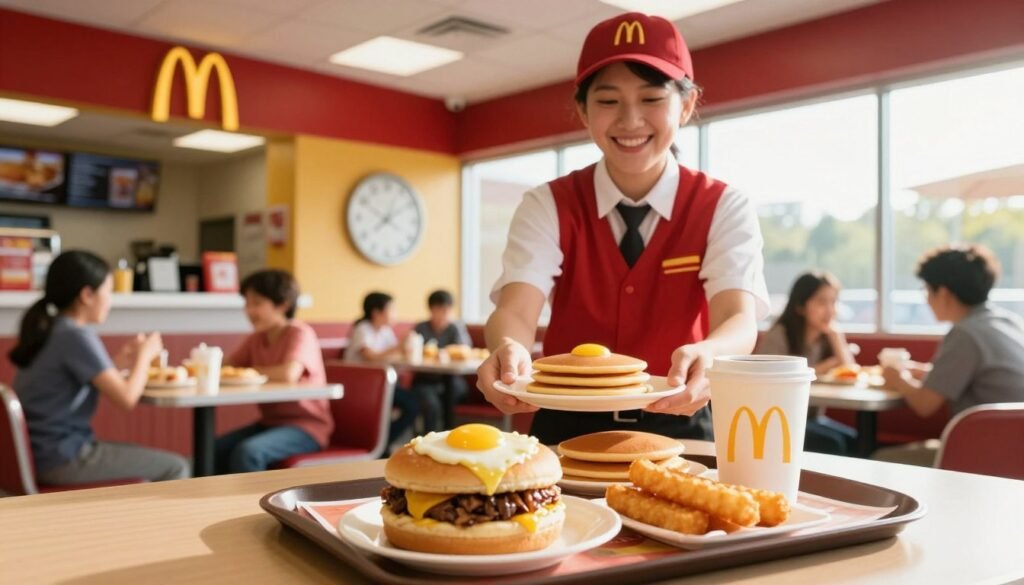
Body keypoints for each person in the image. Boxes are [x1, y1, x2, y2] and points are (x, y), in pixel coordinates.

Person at [476, 12, 769, 444]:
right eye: (608, 101)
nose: (630, 120)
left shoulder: (722, 205)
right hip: (564, 422)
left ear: (686, 105)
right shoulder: (547, 204)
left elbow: (738, 318)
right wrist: (508, 349)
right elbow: (517, 309)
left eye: (652, 99)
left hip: (681, 420)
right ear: (583, 110)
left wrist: (710, 354)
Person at [11, 250, 189, 485]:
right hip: (62, 458)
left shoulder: (56, 329)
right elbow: (126, 398)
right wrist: (145, 357)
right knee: (176, 467)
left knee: (145, 462)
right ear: (87, 295)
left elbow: (84, 380)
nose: (110, 300)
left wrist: (120, 362)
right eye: (108, 291)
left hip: (41, 454)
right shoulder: (76, 335)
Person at [874, 244, 1024, 467]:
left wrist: (898, 378)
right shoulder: (1008, 321)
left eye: (926, 290)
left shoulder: (965, 334)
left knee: (879, 461)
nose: (926, 299)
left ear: (943, 293)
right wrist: (925, 371)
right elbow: (978, 377)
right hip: (1014, 451)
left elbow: (925, 405)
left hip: (984, 454)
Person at [214, 270, 332, 473]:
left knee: (248, 452)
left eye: (257, 303)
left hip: (307, 427)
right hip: (270, 423)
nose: (249, 311)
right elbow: (229, 366)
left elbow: (288, 374)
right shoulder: (257, 338)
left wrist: (245, 372)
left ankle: (251, 505)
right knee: (213, 448)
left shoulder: (300, 333)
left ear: (282, 304)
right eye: (247, 303)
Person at [755, 271, 858, 455]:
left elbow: (850, 373)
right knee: (834, 444)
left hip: (811, 417)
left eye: (833, 301)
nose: (830, 310)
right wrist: (828, 365)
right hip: (779, 419)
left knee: (854, 440)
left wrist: (837, 338)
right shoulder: (779, 335)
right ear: (801, 306)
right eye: (821, 302)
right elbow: (773, 383)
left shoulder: (826, 337)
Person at [343, 292, 419, 445]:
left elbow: (393, 355)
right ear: (376, 312)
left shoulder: (385, 331)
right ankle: (381, 442)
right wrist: (399, 347)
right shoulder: (362, 329)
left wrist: (404, 350)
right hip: (361, 386)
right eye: (391, 310)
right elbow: (371, 357)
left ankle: (382, 440)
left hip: (382, 385)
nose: (395, 314)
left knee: (415, 402)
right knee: (412, 403)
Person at [412, 289, 472, 431]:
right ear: (431, 309)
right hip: (425, 379)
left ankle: (448, 432)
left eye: (447, 310)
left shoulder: (455, 328)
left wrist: (446, 352)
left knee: (451, 393)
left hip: (453, 379)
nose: (444, 314)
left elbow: (465, 350)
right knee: (431, 403)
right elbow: (413, 352)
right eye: (439, 309)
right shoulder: (421, 328)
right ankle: (428, 438)